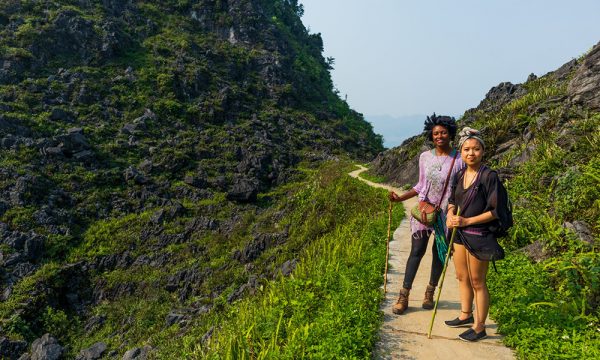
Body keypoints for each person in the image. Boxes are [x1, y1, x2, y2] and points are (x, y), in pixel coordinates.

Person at [389, 114, 464, 314]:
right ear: (431, 136)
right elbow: (420, 185)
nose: (439, 136)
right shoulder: (425, 157)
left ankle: (429, 291)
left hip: (445, 214)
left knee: (439, 254)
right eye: (435, 133)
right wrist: (400, 199)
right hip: (424, 211)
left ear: (451, 134)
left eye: (443, 132)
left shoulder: (459, 159)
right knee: (416, 251)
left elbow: (462, 189)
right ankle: (403, 295)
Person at [444, 127, 506, 342]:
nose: (471, 153)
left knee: (478, 281)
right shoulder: (461, 174)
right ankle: (465, 314)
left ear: (483, 151)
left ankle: (479, 327)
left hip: (479, 235)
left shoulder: (489, 177)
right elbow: (452, 200)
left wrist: (467, 220)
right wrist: (451, 214)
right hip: (460, 235)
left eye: (476, 149)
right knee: (462, 277)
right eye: (467, 149)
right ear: (461, 152)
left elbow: (496, 211)